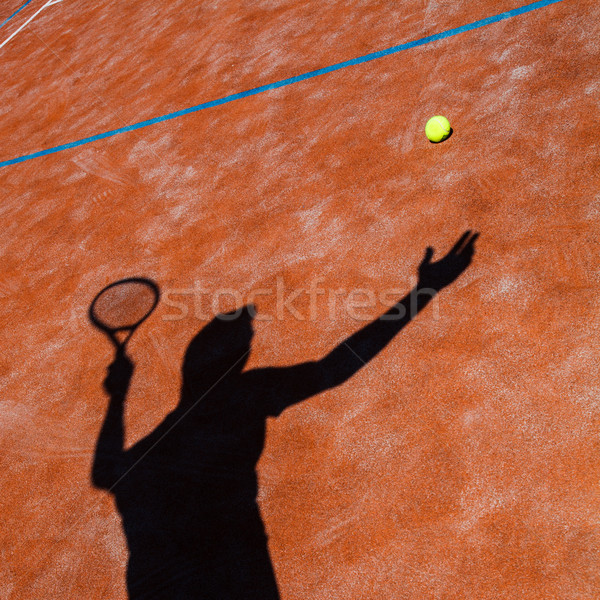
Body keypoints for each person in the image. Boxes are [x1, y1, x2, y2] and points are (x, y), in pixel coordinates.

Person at [92, 231, 478, 599]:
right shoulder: (242, 397)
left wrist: (117, 399)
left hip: (156, 586)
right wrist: (424, 291)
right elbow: (337, 367)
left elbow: (105, 473)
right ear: (236, 362)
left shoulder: (148, 454)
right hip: (234, 577)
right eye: (246, 337)